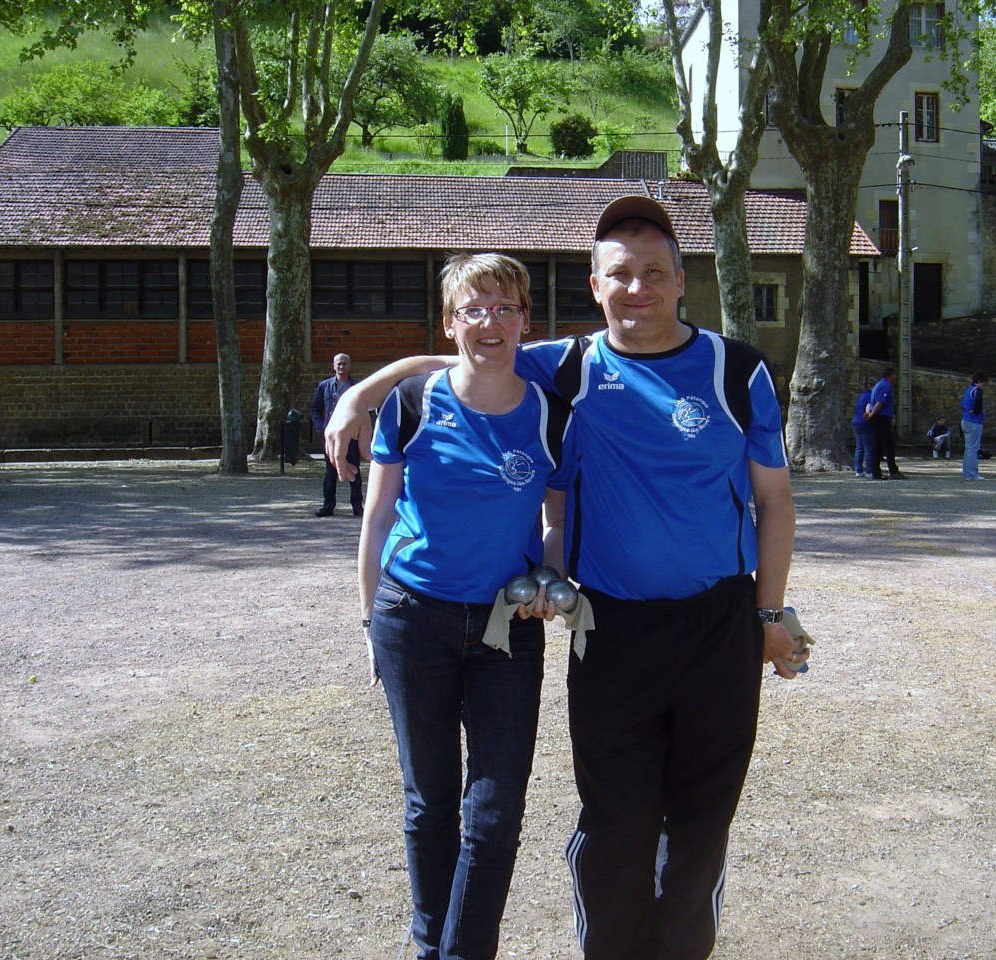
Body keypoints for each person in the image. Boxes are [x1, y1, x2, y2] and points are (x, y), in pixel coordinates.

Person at [328, 196, 805, 960]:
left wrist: (769, 612)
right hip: (609, 625)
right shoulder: (574, 366)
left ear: (683, 279)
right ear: (595, 285)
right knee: (617, 824)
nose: (638, 288)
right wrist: (362, 389)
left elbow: (775, 503)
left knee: (703, 818)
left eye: (655, 272)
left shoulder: (736, 368)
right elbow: (472, 355)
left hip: (718, 621)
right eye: (621, 274)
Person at [359, 254, 570, 960]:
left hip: (504, 630)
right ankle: (431, 947)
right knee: (431, 802)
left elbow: (558, 521)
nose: (490, 321)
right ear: (450, 323)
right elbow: (378, 517)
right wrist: (369, 624)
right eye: (473, 309)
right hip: (411, 617)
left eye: (504, 308)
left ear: (524, 321)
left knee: (496, 810)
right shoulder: (413, 403)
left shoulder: (548, 413)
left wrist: (550, 573)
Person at [310, 353, 364, 517]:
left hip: (351, 435)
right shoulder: (324, 386)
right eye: (339, 364)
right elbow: (315, 408)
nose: (342, 367)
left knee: (354, 470)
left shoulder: (356, 387)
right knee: (330, 472)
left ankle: (357, 506)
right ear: (334, 366)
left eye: (345, 364)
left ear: (349, 366)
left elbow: (363, 409)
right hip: (331, 437)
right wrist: (321, 428)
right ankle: (328, 506)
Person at [866, 366, 906, 479]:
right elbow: (881, 402)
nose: (896, 377)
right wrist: (873, 413)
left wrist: (869, 413)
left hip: (876, 419)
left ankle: (876, 472)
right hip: (881, 418)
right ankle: (893, 472)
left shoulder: (877, 385)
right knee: (889, 445)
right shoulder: (886, 386)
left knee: (877, 446)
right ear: (891, 375)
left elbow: (870, 403)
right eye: (895, 375)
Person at [960, 371, 989, 481]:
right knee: (973, 448)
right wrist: (976, 411)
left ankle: (967, 472)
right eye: (984, 384)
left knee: (968, 448)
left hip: (965, 420)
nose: (984, 387)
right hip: (974, 422)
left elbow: (962, 403)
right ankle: (972, 473)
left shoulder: (968, 390)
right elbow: (978, 403)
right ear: (980, 381)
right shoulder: (977, 391)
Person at [851, 376, 874, 477]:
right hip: (865, 422)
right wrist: (869, 414)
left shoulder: (861, 396)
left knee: (859, 447)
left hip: (856, 421)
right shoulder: (871, 396)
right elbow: (868, 407)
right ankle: (869, 471)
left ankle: (858, 470)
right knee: (868, 447)